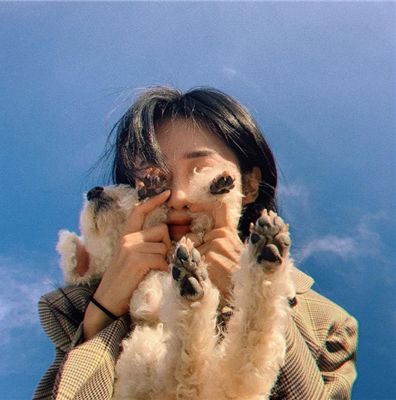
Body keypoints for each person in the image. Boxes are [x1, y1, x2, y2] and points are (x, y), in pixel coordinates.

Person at [34, 86, 358, 400]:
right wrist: (101, 313)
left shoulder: (326, 324)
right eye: (153, 179)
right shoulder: (78, 310)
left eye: (200, 170)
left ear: (249, 185)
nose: (177, 197)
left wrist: (250, 295)